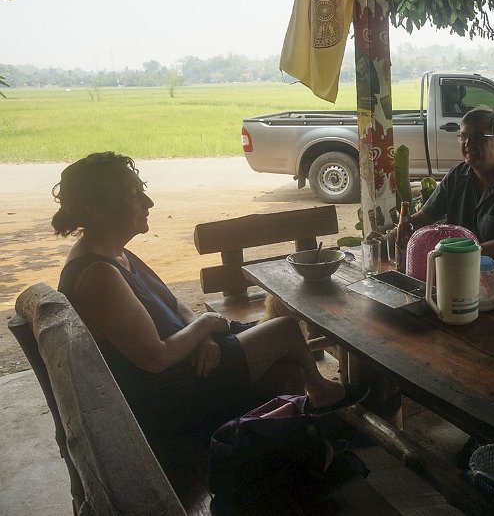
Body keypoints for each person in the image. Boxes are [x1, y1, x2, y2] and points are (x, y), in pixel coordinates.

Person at [52, 152, 367, 438]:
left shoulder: (116, 254)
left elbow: (175, 305)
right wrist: (206, 324)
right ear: (97, 211)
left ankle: (300, 436)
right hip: (169, 391)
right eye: (134, 195)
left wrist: (203, 336)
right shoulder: (97, 275)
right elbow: (156, 358)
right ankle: (321, 397)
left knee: (289, 372)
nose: (148, 202)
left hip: (188, 362)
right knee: (284, 330)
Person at [411, 106, 494, 261]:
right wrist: (396, 231)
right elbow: (425, 217)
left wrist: (463, 254)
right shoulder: (457, 176)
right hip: (459, 267)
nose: (468, 143)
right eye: (463, 136)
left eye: (478, 137)